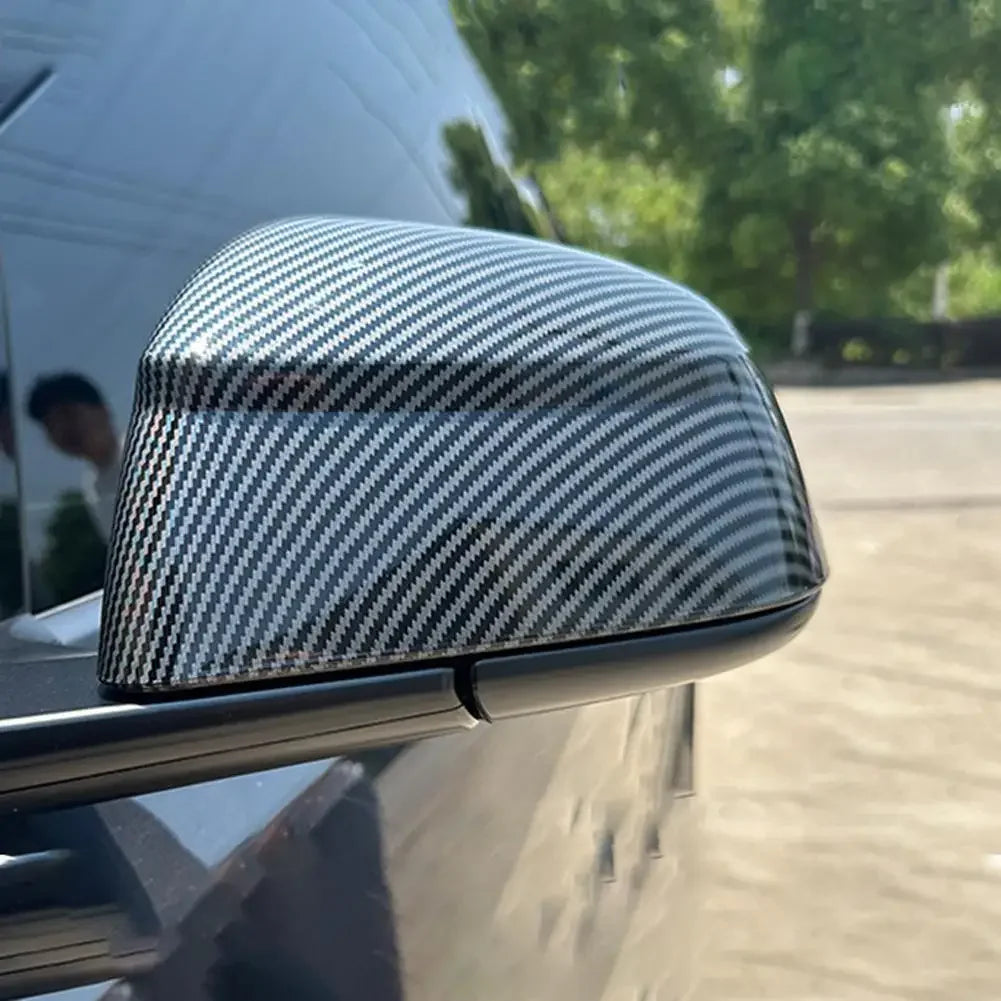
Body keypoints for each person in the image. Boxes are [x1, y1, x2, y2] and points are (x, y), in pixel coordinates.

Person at [27, 373, 122, 540]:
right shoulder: (91, 487)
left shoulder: (151, 449)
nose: (62, 429)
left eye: (68, 414)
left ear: (103, 410)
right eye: (50, 424)